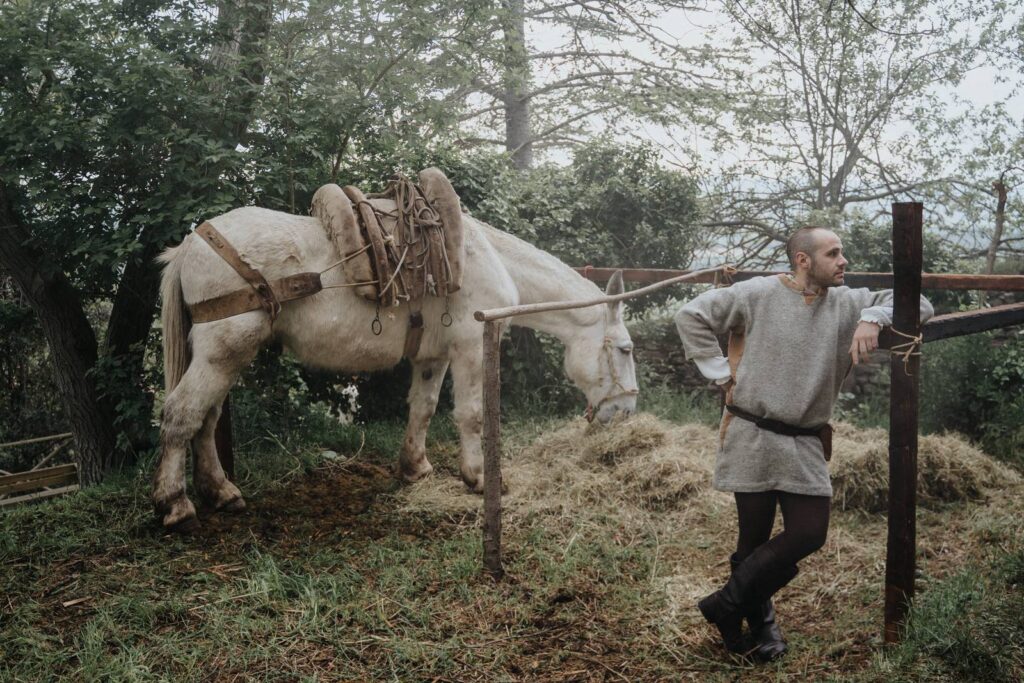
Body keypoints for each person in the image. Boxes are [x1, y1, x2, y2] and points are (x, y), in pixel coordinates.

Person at [674, 226, 933, 661]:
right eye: (833, 254)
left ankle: (724, 604)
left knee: (809, 533)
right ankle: (760, 629)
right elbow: (691, 316)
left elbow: (918, 304)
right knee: (752, 541)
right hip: (751, 433)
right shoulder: (757, 293)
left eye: (842, 253)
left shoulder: (848, 303)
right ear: (803, 260)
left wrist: (874, 318)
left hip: (805, 440)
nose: (843, 261)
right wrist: (719, 373)